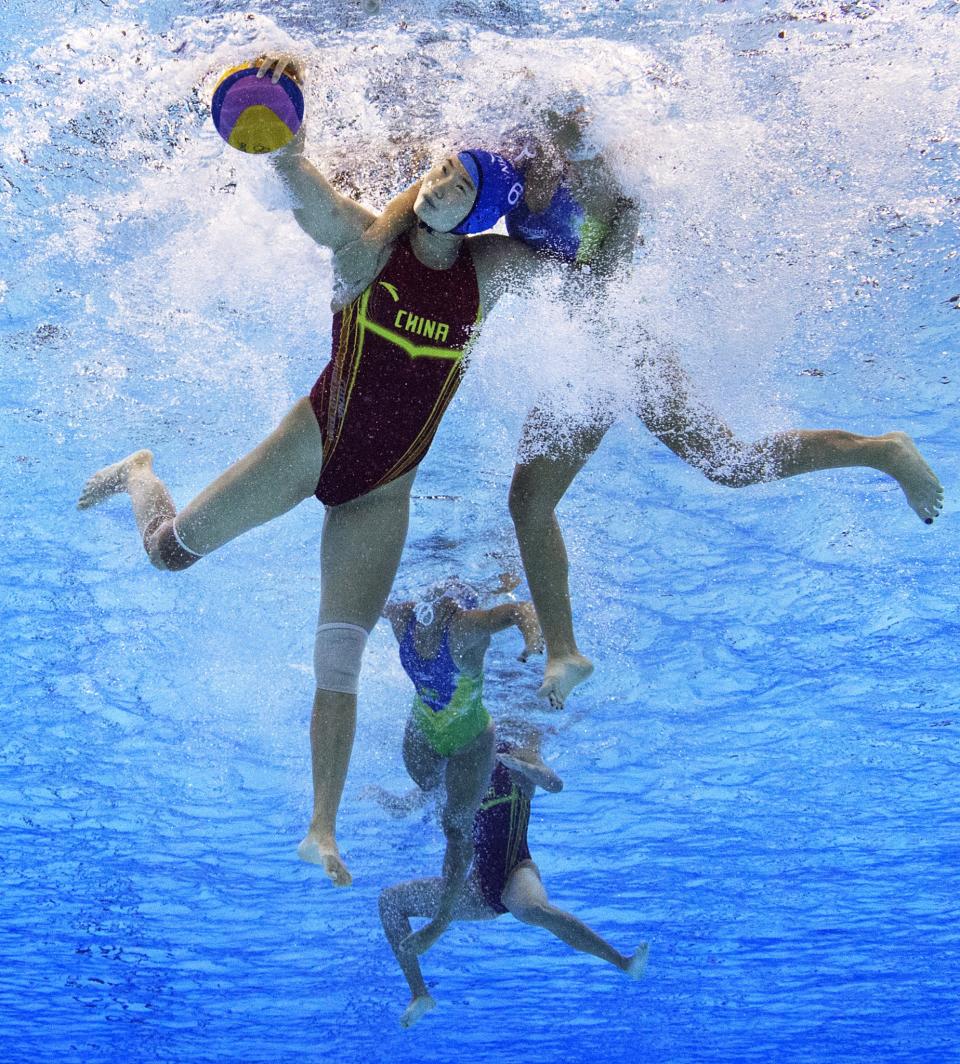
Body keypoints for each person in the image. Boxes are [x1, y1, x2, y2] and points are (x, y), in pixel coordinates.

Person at [76, 55, 552, 889]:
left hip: (382, 495)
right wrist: (287, 150)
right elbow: (320, 207)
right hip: (311, 445)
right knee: (168, 552)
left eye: (460, 184)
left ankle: (322, 826)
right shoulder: (370, 252)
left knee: (339, 656)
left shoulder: (490, 276)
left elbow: (567, 262)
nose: (438, 187)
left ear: (483, 213)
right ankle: (138, 472)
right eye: (436, 172)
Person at [334, 88, 946, 709]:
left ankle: (885, 452)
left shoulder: (589, 176)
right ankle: (565, 652)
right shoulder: (508, 171)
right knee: (557, 495)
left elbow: (624, 219)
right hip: (588, 352)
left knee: (717, 462)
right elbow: (427, 193)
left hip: (619, 346)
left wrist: (581, 154)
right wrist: (374, 240)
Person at [372, 728, 648, 1029]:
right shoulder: (455, 771)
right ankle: (419, 994)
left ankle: (623, 962)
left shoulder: (512, 755)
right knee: (390, 901)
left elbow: (555, 784)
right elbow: (404, 807)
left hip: (518, 871)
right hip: (477, 889)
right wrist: (379, 795)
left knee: (531, 909)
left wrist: (530, 770)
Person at [379, 577, 542, 960]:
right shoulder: (403, 617)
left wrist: (533, 640)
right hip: (424, 728)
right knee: (431, 790)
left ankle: (440, 921)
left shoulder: (464, 628)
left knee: (455, 826)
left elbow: (521, 611)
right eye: (434, 593)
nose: (439, 599)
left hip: (471, 740)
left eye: (450, 597)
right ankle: (434, 803)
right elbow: (366, 600)